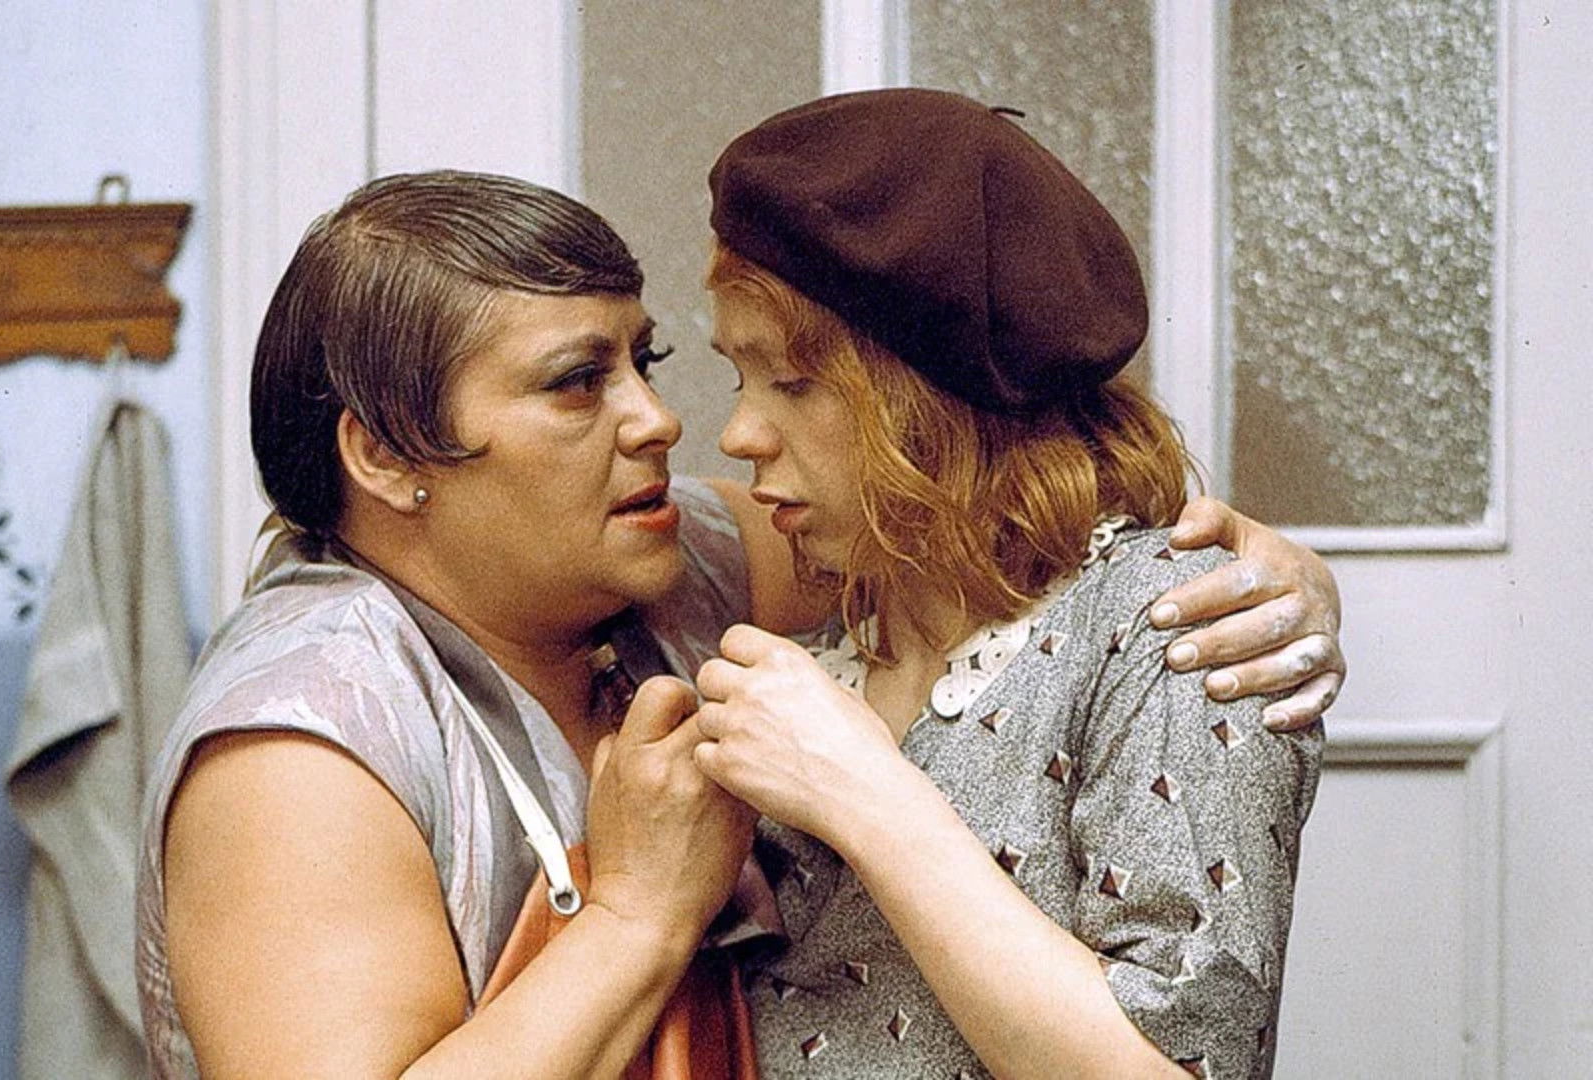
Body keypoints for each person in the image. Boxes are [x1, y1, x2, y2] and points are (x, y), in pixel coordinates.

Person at [133, 170, 1342, 1078]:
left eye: (645, 360)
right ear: (389, 455)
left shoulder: (671, 561)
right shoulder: (296, 752)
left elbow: (965, 514)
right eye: (577, 382)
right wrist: (638, 915)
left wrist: (1262, 570)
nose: (659, 420)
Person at [690, 88, 1323, 1078]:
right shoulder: (821, 632)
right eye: (740, 376)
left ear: (931, 396)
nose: (738, 434)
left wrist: (863, 794)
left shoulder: (1172, 628)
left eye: (794, 382)